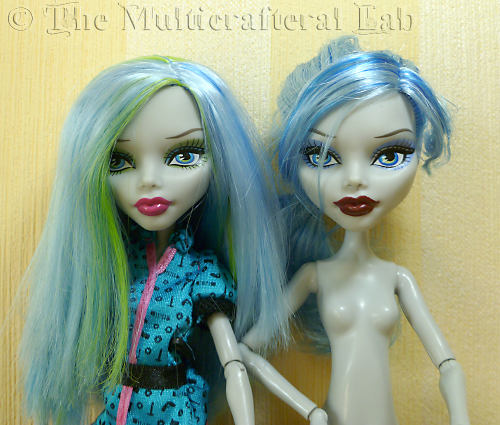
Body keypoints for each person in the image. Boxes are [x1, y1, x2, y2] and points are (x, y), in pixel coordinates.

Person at [20, 56, 287, 425]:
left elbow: (233, 364)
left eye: (183, 155)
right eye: (118, 160)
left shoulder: (202, 275)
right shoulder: (118, 261)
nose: (149, 180)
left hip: (172, 409)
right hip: (118, 408)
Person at [240, 36, 470, 425]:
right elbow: (246, 351)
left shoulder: (397, 279)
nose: (355, 180)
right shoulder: (315, 276)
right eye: (322, 156)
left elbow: (448, 364)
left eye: (390, 155)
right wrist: (309, 409)